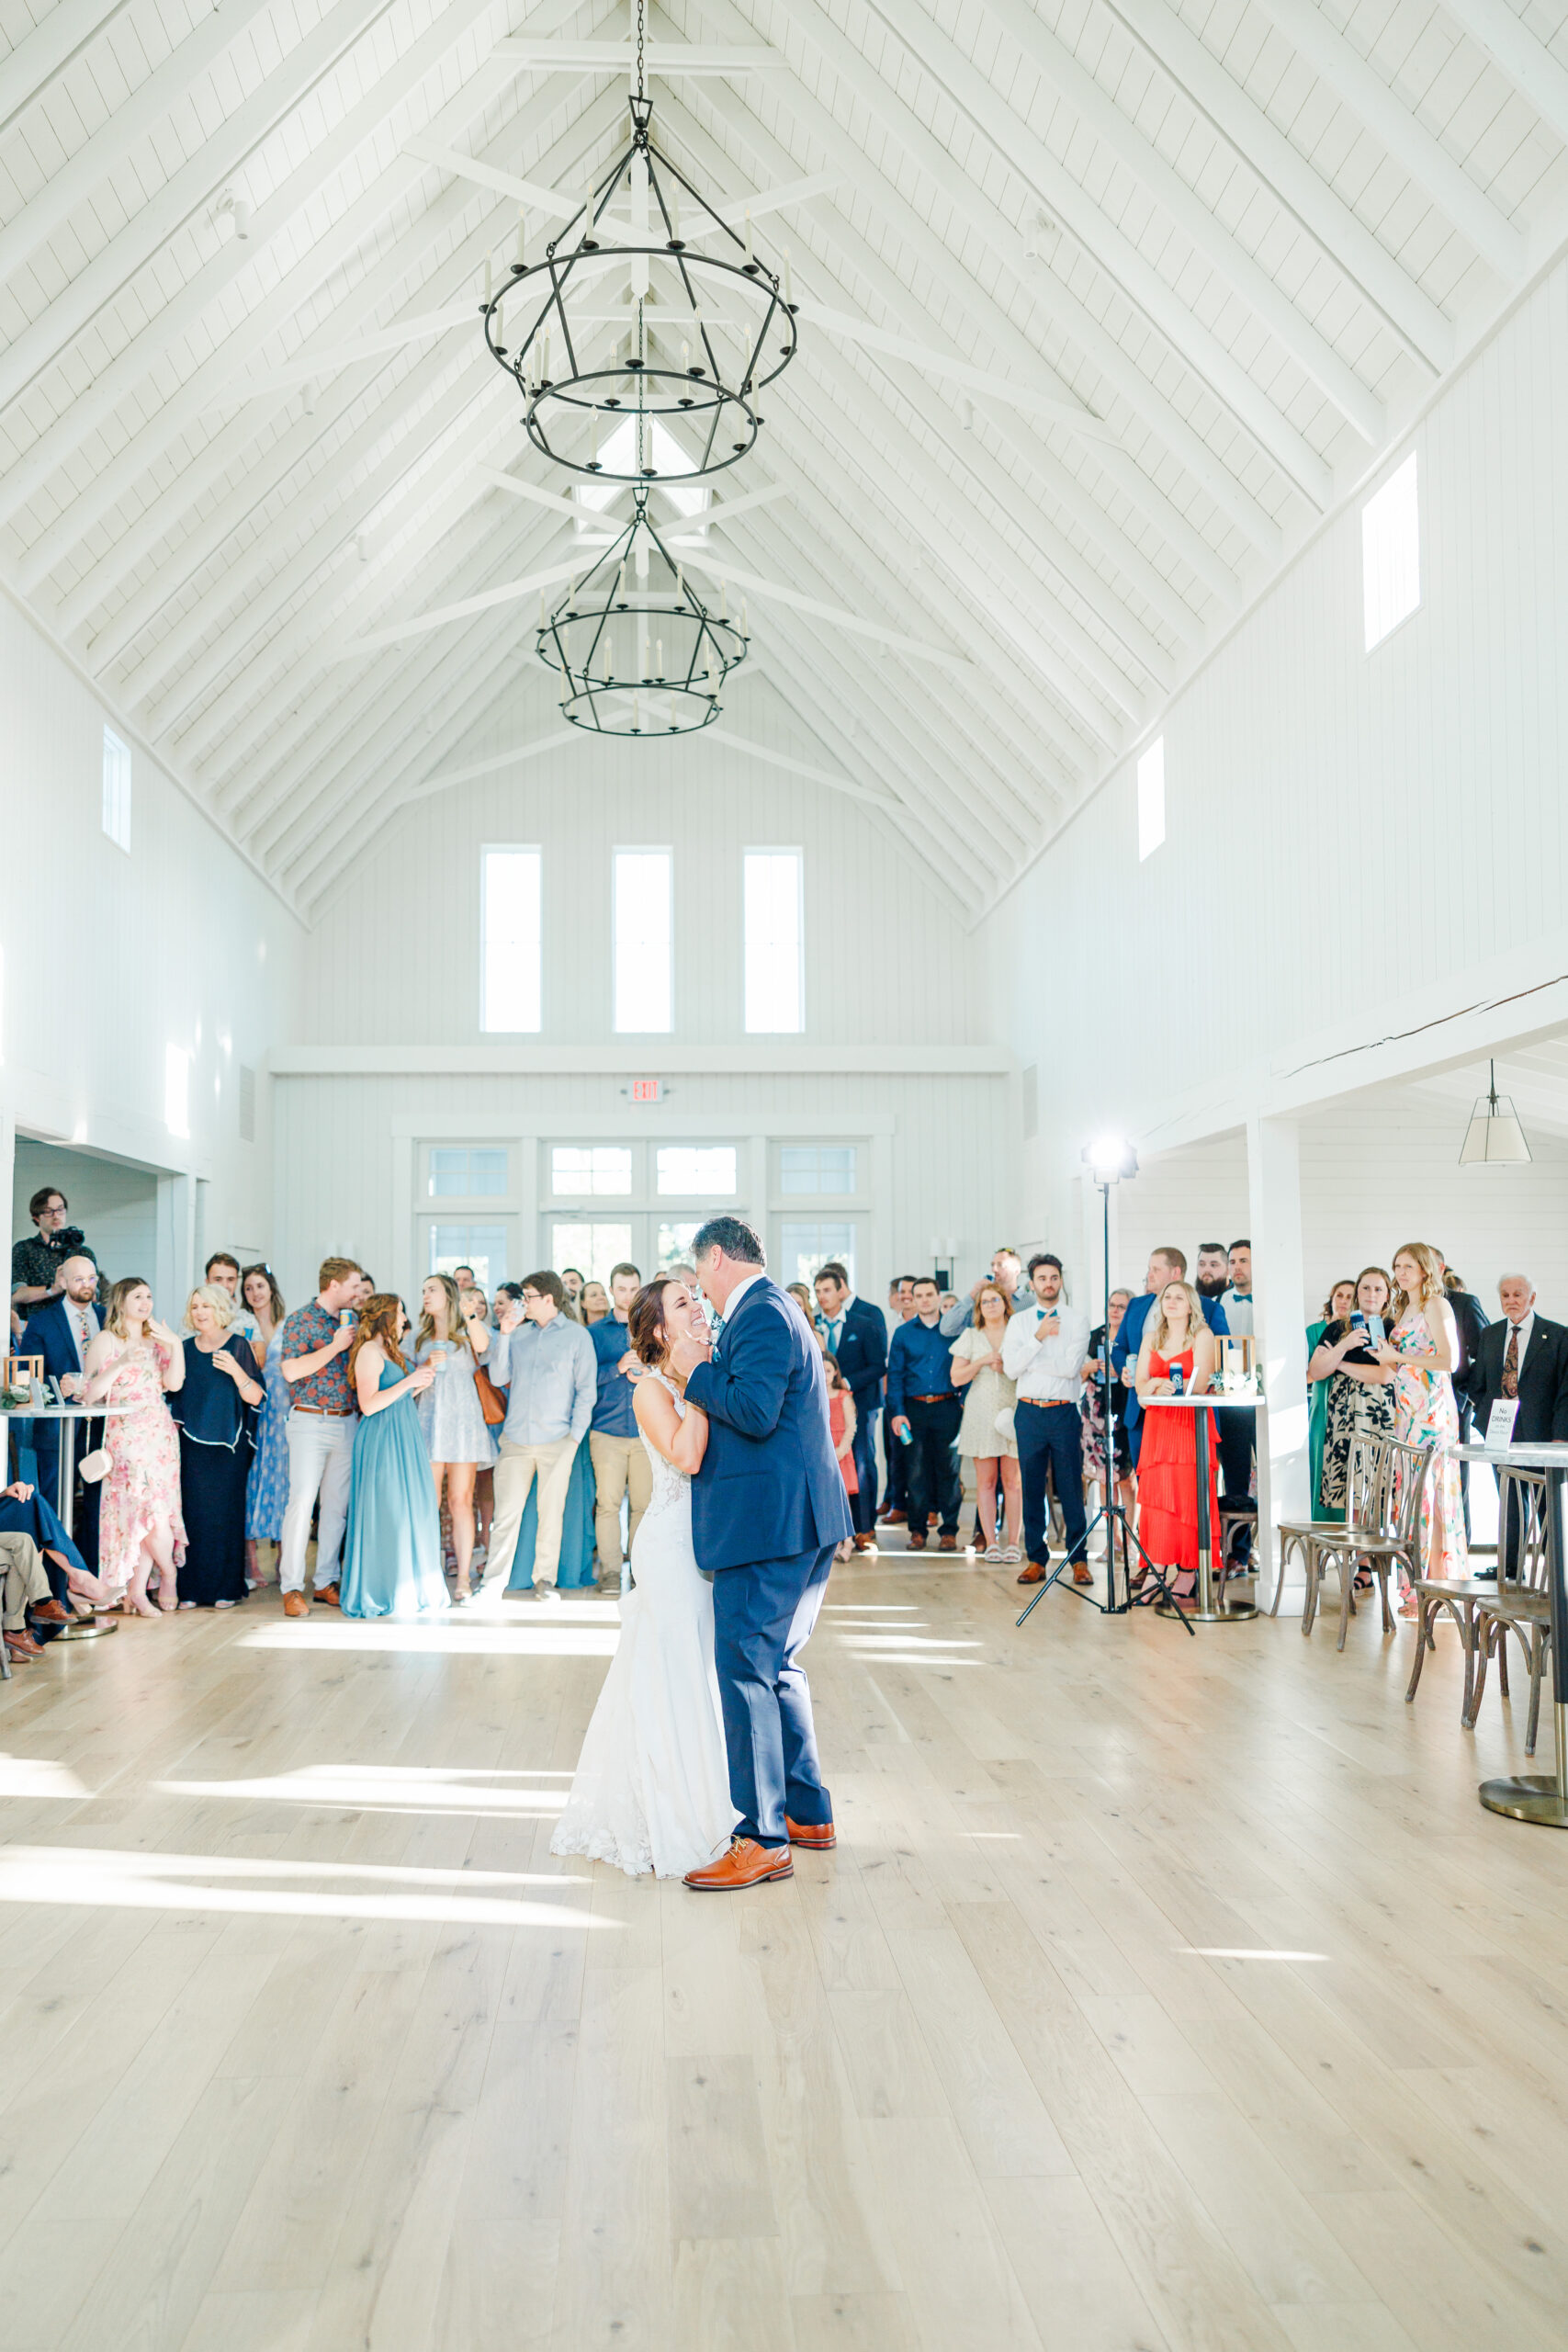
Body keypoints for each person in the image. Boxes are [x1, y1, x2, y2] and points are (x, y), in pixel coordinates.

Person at [666, 1216, 852, 1891]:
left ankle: (760, 1836)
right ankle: (806, 1812)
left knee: (746, 1668)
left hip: (770, 1525)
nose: (699, 1293)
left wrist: (692, 1371)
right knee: (777, 1668)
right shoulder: (773, 1309)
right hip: (795, 1519)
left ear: (716, 1258)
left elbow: (753, 1411)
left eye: (697, 1277)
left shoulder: (764, 1313)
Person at [551, 1276, 736, 1878]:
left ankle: (718, 1798)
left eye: (697, 1298)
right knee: (675, 1671)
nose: (699, 1307)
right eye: (684, 1303)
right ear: (660, 1329)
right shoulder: (650, 1390)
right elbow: (685, 1456)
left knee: (703, 1670)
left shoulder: (709, 1371)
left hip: (710, 1541)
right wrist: (703, 1384)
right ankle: (676, 1811)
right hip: (670, 1546)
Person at [485, 1270, 597, 1598]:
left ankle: (544, 1580)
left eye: (528, 1297)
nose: (523, 1304)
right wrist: (504, 1334)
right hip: (516, 1440)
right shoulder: (517, 1335)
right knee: (505, 1515)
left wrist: (574, 1438)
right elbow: (498, 1377)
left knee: (551, 1514)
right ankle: (492, 1583)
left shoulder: (578, 1337)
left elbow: (586, 1392)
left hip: (558, 1440)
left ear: (549, 1299)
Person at [83, 1276, 186, 1614]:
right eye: (138, 1296)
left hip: (159, 1434)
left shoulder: (157, 1340)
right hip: (124, 1435)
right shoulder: (105, 1339)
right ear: (122, 1301)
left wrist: (176, 1345)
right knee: (143, 1513)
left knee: (154, 1515)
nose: (145, 1303)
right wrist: (122, 1362)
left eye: (149, 1296)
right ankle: (168, 1574)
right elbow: (90, 1394)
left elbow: (173, 1384)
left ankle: (139, 1591)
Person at [338, 1295, 446, 1618]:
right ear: (384, 1316)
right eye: (400, 1313)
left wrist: (419, 1380)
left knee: (414, 1511)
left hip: (404, 1436)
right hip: (382, 1439)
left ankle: (411, 1587)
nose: (403, 1319)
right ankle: (383, 1589)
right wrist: (412, 1380)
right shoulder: (369, 1352)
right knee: (390, 1513)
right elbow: (369, 1404)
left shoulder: (390, 1352)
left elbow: (396, 1396)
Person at [1377, 1242, 1467, 1605]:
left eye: (1408, 1266)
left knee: (1431, 1493)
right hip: (1407, 1414)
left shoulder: (1436, 1304)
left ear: (1426, 1269)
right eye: (1397, 1266)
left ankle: (1437, 1584)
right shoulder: (1405, 1306)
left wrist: (1396, 1354)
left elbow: (1449, 1361)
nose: (1400, 1272)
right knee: (1412, 1496)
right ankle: (1415, 1585)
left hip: (1432, 1414)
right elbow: (1407, 1364)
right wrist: (1387, 1358)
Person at [1461, 1273, 1568, 1577]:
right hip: (1501, 1434)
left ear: (1532, 1298)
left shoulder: (1558, 1336)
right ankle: (1510, 1567)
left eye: (1518, 1294)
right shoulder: (1491, 1335)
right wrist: (1485, 1419)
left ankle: (1557, 1570)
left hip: (1544, 1437)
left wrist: (1561, 1437)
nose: (1511, 1301)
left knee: (1548, 1506)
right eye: (1505, 1295)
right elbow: (1478, 1383)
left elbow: (1565, 1391)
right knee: (1510, 1503)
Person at [276, 1256, 364, 1618]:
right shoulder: (300, 1319)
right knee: (301, 1503)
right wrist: (335, 1347)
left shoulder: (355, 1321)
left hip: (347, 1421)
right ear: (334, 1286)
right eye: (355, 1286)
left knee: (336, 1507)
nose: (359, 1292)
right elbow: (291, 1370)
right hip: (310, 1421)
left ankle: (326, 1580)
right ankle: (291, 1587)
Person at [171, 1283, 263, 1607]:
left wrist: (236, 1371)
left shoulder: (239, 1346)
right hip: (192, 1446)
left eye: (206, 1306)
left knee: (225, 1516)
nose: (200, 1312)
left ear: (220, 1309)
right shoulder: (182, 1349)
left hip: (229, 1449)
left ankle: (226, 1588)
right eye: (195, 1306)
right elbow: (173, 1395)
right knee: (192, 1516)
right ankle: (191, 1590)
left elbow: (255, 1397)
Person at [1003, 1253, 1091, 1587]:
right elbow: (1011, 1369)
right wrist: (1038, 1338)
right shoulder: (1021, 1323)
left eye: (1054, 1277)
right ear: (1032, 1283)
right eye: (1042, 1278)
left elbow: (1071, 1369)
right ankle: (1036, 1559)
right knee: (1032, 1486)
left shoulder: (1077, 1320)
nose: (1049, 1283)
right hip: (1027, 1412)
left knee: (1069, 1486)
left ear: (1061, 1280)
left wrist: (1031, 1361)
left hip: (1063, 1411)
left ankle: (1078, 1559)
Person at [411, 1272, 497, 1602]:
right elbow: (411, 1384)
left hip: (464, 1425)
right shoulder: (418, 1338)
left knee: (462, 1502)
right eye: (422, 1290)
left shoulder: (467, 1331)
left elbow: (484, 1346)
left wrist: (468, 1311)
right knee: (428, 1504)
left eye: (431, 1289)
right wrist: (425, 1365)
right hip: (430, 1422)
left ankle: (463, 1578)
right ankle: (428, 1574)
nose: (425, 1295)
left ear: (448, 1293)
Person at [1133, 1279, 1219, 1600]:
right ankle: (1155, 1569)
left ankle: (1187, 1571)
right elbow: (1140, 1384)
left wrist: (1169, 1386)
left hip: (1188, 1424)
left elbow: (1202, 1382)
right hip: (1158, 1426)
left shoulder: (1202, 1335)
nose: (1171, 1302)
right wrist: (1157, 1383)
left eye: (1178, 1297)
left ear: (1190, 1304)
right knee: (1156, 1501)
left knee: (1186, 1498)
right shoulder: (1151, 1338)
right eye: (1167, 1297)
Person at [1112, 1248, 1228, 1465]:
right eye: (1149, 1269)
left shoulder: (1209, 1309)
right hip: (1142, 1410)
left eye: (1156, 1269)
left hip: (1191, 1416)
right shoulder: (1136, 1305)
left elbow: (1222, 1353)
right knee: (1146, 1474)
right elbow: (1119, 1347)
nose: (1149, 1274)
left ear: (1175, 1272)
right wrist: (1124, 1371)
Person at [1307, 1267, 1399, 1528]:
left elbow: (1384, 1375)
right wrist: (1344, 1346)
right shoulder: (1336, 1329)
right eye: (1366, 1288)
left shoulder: (1393, 1329)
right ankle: (1357, 1558)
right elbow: (1316, 1371)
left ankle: (1372, 1556)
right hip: (1342, 1413)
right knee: (1350, 1486)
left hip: (1378, 1412)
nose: (1371, 1294)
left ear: (1387, 1296)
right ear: (1357, 1293)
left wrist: (1340, 1364)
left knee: (1377, 1481)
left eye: (1378, 1289)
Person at [18, 1253, 101, 1521]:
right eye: (78, 1279)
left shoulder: (107, 1316)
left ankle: (90, 1562)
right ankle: (56, 1564)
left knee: (100, 1505)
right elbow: (27, 1376)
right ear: (64, 1282)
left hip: (102, 1427)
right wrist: (58, 1390)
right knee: (55, 1505)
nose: (86, 1284)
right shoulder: (42, 1322)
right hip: (58, 1429)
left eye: (91, 1278)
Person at [813, 1261, 887, 1551]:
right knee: (830, 1466)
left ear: (840, 1291)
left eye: (827, 1290)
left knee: (861, 1463)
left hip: (860, 1404)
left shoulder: (863, 1324)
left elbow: (878, 1366)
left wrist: (847, 1383)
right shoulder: (813, 1326)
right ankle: (834, 1528)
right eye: (818, 1291)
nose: (822, 1296)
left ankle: (865, 1529)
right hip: (825, 1407)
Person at [886, 1274, 963, 1551]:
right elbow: (894, 1375)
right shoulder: (903, 1334)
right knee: (915, 1472)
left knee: (949, 1471)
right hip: (913, 1409)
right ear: (912, 1300)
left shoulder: (953, 1330)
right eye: (919, 1296)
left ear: (939, 1297)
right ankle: (917, 1531)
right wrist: (897, 1412)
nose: (925, 1300)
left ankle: (949, 1531)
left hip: (947, 1407)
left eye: (930, 1294)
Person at [587, 1262, 651, 1589]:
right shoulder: (594, 1333)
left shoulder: (652, 1327)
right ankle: (611, 1572)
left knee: (643, 1506)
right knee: (608, 1504)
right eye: (621, 1288)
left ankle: (640, 1572)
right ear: (612, 1290)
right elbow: (583, 1382)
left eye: (633, 1288)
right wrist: (616, 1368)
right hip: (607, 1431)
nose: (627, 1295)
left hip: (646, 1431)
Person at [952, 1279, 1021, 1562]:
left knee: (1013, 1482)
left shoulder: (1018, 1333)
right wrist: (981, 1361)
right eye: (985, 1302)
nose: (991, 1305)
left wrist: (1007, 1365)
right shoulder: (970, 1335)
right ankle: (991, 1542)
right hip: (980, 1412)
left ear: (1005, 1303)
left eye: (996, 1300)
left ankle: (1014, 1543)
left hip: (1013, 1409)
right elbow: (956, 1377)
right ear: (979, 1308)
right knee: (986, 1482)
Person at [241, 1264, 288, 1584]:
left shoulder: (289, 1323)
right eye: (248, 1288)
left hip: (284, 1408)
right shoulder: (241, 1324)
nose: (255, 1293)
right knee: (251, 1479)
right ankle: (251, 1560)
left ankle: (286, 1556)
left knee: (285, 1480)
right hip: (253, 1408)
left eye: (260, 1286)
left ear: (271, 1287)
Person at [1081, 1287, 1134, 1558]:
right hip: (1097, 1413)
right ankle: (1110, 1540)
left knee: (1125, 1479)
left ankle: (1128, 1539)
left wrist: (1122, 1370)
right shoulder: (1095, 1336)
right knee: (1104, 1479)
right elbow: (1080, 1371)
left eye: (1121, 1306)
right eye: (1112, 1305)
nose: (1115, 1310)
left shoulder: (1133, 1336)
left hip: (1125, 1411)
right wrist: (1090, 1367)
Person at [1440, 1257, 1490, 1538]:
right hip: (1413, 1405)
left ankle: (1461, 1544)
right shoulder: (1407, 1305)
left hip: (1455, 1402)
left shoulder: (1464, 1302)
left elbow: (1485, 1352)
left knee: (1457, 1475)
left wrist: (1467, 1395)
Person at [1305, 1279, 1358, 1516]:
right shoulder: (1314, 1332)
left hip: (1351, 1405)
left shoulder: (1358, 1331)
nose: (1344, 1301)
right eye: (1340, 1295)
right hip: (1322, 1401)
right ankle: (1320, 1522)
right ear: (1331, 1299)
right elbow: (1307, 1373)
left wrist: (1332, 1360)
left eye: (1350, 1296)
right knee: (1319, 1461)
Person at [10, 1185, 98, 1321]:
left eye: (60, 1209)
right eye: (48, 1211)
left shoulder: (82, 1253)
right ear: (36, 1217)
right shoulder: (24, 1248)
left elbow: (94, 1295)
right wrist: (54, 1289)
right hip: (36, 1324)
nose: (55, 1215)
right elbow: (17, 1295)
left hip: (77, 1323)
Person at [940, 1248, 1024, 1337]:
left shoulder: (1031, 1303)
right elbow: (946, 1329)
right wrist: (972, 1295)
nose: (994, 1269)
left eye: (1000, 1265)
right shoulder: (979, 1302)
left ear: (1017, 1270)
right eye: (992, 1265)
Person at [822, 1353, 859, 1557]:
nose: (826, 1375)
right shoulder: (814, 1395)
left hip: (840, 1455)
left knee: (843, 1500)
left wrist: (840, 1451)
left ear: (835, 1372)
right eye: (822, 1370)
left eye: (829, 1370)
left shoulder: (844, 1396)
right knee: (828, 1501)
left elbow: (851, 1427)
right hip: (823, 1455)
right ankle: (834, 1542)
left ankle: (848, 1542)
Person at [197, 1252, 261, 1343]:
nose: (224, 1285)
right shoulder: (195, 1316)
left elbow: (259, 1355)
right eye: (218, 1279)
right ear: (207, 1282)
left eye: (230, 1280)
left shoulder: (247, 1319)